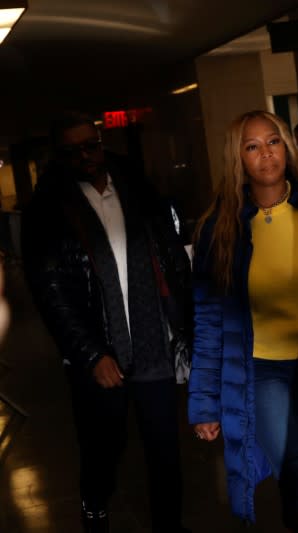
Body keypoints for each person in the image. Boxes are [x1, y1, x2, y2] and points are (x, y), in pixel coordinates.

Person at [21, 112, 192, 533]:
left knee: (165, 450)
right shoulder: (48, 209)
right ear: (59, 156)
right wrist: (91, 353)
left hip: (154, 345)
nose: (85, 156)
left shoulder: (136, 188)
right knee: (103, 449)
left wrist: (185, 323)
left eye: (91, 145)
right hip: (99, 353)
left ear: (101, 141)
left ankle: (169, 526)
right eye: (72, 151)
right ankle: (94, 512)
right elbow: (51, 293)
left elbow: (170, 256)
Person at [188, 110, 298, 531]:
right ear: (238, 159)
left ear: (287, 146)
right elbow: (209, 321)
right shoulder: (219, 229)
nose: (266, 154)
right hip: (264, 369)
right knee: (297, 467)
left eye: (274, 141)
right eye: (252, 146)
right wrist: (204, 404)